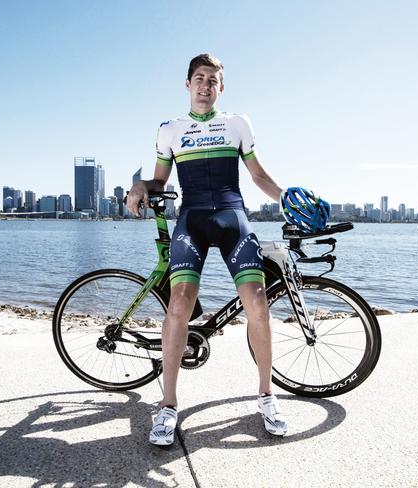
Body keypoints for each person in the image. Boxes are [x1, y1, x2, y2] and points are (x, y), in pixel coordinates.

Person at [126, 53, 288, 445]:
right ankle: (167, 405)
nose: (205, 85)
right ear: (188, 84)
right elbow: (161, 182)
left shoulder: (237, 123)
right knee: (179, 302)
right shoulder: (170, 129)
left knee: (258, 303)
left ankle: (267, 395)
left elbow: (259, 175)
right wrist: (141, 187)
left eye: (213, 80)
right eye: (199, 78)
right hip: (193, 220)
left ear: (221, 86)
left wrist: (287, 198)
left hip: (233, 216)